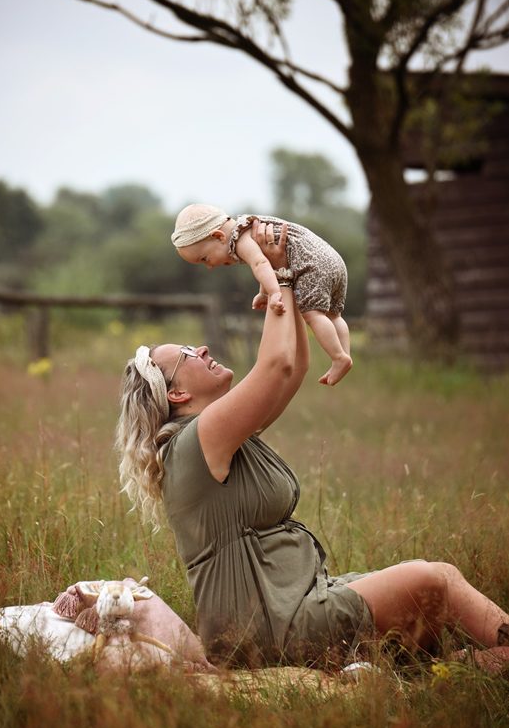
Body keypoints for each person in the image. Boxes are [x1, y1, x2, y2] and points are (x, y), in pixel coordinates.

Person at [117, 222, 509, 673]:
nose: (202, 347)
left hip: (293, 603)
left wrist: (295, 280)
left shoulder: (222, 435)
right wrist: (279, 276)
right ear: (178, 396)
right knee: (431, 580)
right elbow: (275, 363)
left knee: (428, 576)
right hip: (263, 626)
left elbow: (294, 369)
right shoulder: (196, 440)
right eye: (187, 354)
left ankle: (474, 664)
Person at [171, 203, 352, 386]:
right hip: (333, 260)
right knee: (334, 316)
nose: (209, 267)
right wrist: (263, 293)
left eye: (205, 259)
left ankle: (338, 357)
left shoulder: (240, 239)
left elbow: (260, 265)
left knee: (313, 315)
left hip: (312, 266)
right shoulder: (246, 228)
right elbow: (265, 262)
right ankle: (345, 354)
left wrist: (274, 293)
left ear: (218, 236)